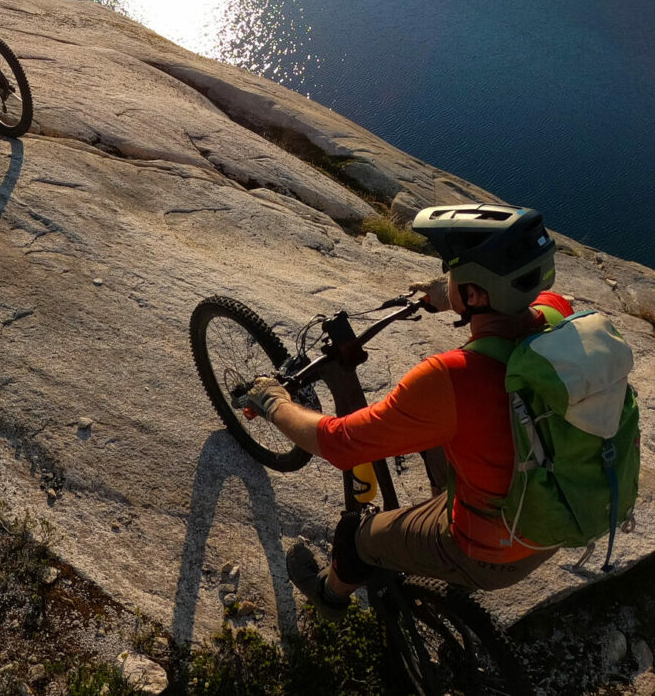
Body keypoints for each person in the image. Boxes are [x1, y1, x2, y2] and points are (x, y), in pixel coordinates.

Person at [239, 204, 571, 614]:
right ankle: (443, 542)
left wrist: (272, 401)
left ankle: (329, 595)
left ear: (476, 293)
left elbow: (339, 444)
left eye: (452, 270)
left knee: (354, 536)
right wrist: (444, 294)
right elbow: (510, 298)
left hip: (493, 551)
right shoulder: (560, 316)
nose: (446, 276)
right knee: (444, 440)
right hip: (560, 518)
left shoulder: (451, 378)